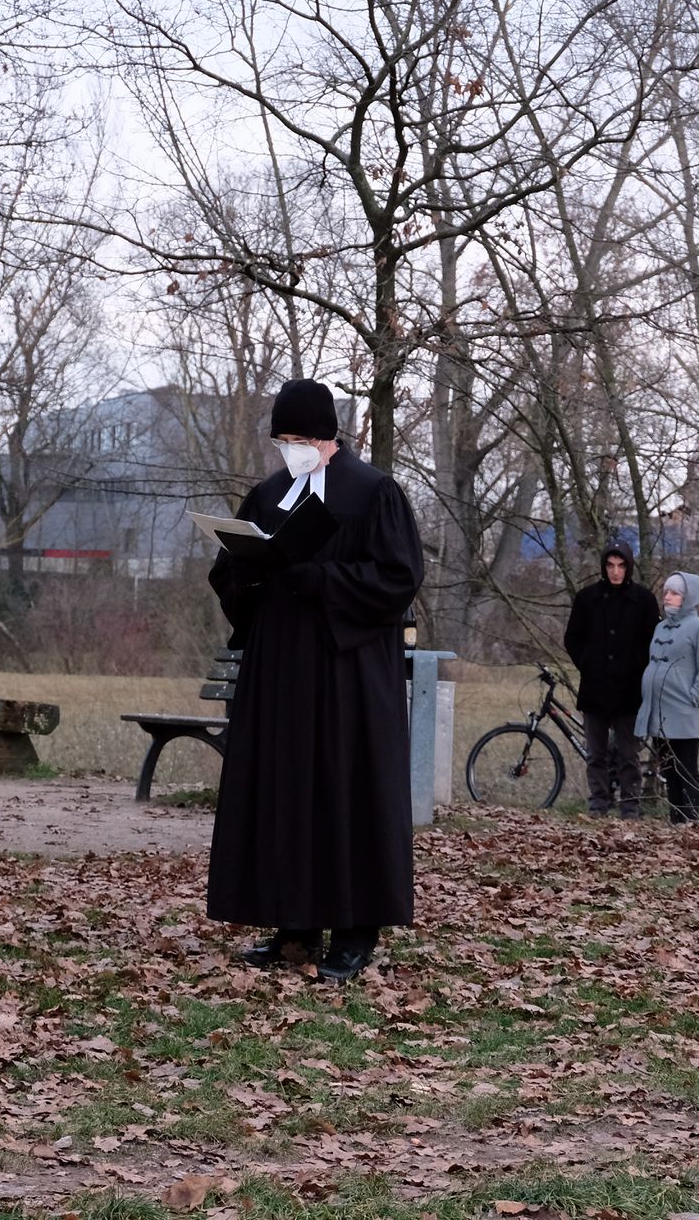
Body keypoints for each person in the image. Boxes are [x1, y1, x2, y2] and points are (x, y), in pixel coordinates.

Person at [206, 379, 425, 982]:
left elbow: (398, 577)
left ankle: (355, 931)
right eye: (282, 439)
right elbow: (228, 575)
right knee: (287, 793)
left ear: (327, 436)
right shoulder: (268, 494)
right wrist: (249, 575)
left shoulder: (374, 492)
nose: (290, 449)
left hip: (348, 675)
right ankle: (293, 925)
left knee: (347, 792)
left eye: (298, 438)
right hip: (280, 675)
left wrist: (320, 581)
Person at [562, 543, 659, 819]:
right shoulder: (587, 598)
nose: (615, 571)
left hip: (629, 691)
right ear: (604, 567)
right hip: (595, 689)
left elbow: (652, 641)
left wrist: (636, 668)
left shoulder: (644, 600)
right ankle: (598, 804)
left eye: (621, 565)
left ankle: (630, 806)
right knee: (596, 753)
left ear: (628, 567)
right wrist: (588, 664)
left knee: (629, 754)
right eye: (610, 565)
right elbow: (572, 638)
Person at [636, 572, 699, 825]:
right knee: (669, 770)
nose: (668, 597)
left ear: (688, 597)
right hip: (659, 711)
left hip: (683, 712)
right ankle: (676, 821)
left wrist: (695, 697)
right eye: (666, 592)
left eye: (675, 593)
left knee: (686, 769)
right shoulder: (660, 627)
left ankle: (690, 822)